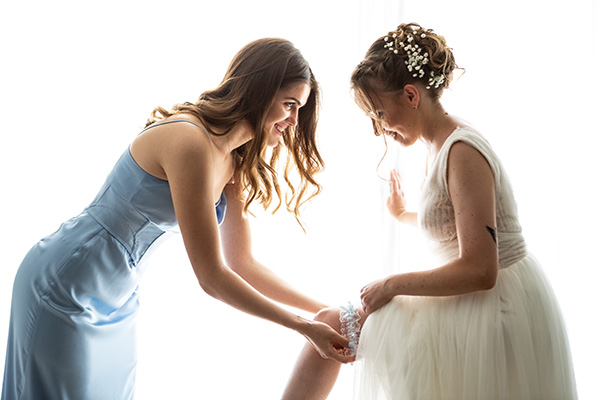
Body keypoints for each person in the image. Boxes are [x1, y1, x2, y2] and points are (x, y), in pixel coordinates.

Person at [1, 38, 354, 400]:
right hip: (69, 281)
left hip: (119, 298)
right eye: (290, 104)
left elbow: (243, 263)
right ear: (260, 91)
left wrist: (328, 313)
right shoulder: (190, 141)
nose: (293, 121)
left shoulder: (233, 160)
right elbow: (211, 276)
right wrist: (305, 328)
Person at [282, 23, 577, 399]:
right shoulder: (437, 144)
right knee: (334, 323)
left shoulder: (462, 151)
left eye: (379, 112)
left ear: (410, 95)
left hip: (492, 306)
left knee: (335, 322)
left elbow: (481, 269)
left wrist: (391, 284)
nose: (379, 128)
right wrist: (403, 213)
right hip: (468, 301)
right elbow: (456, 224)